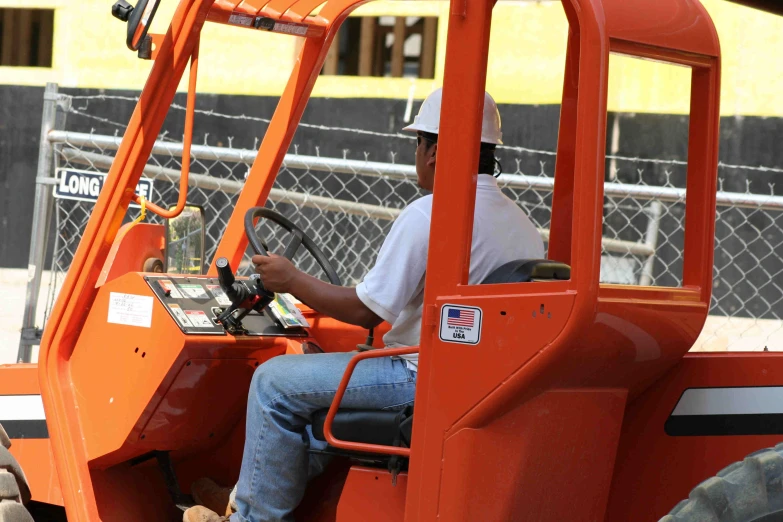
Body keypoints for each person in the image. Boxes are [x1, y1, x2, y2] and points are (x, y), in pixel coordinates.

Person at [183, 88, 545, 522]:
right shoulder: (521, 224)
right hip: (474, 378)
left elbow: (366, 311)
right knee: (314, 376)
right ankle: (247, 494)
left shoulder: (432, 214)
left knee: (272, 382)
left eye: (418, 143)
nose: (416, 155)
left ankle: (250, 518)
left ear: (433, 151)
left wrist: (291, 279)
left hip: (420, 375)